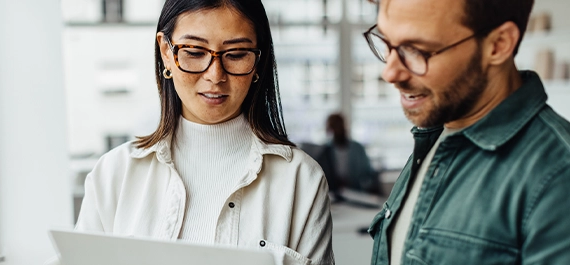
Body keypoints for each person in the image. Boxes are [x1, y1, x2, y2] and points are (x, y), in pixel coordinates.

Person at [47, 0, 334, 265]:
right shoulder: (114, 174)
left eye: (236, 55)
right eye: (195, 52)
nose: (215, 75)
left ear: (257, 61)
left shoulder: (301, 180)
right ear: (166, 53)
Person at [362, 0, 570, 264]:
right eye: (387, 43)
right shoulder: (436, 135)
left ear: (498, 44)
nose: (389, 72)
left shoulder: (558, 175)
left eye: (416, 50)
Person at [319, 113, 382, 199]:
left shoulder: (358, 149)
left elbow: (368, 173)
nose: (337, 130)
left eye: (339, 126)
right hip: (334, 196)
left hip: (357, 194)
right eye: (334, 127)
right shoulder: (325, 150)